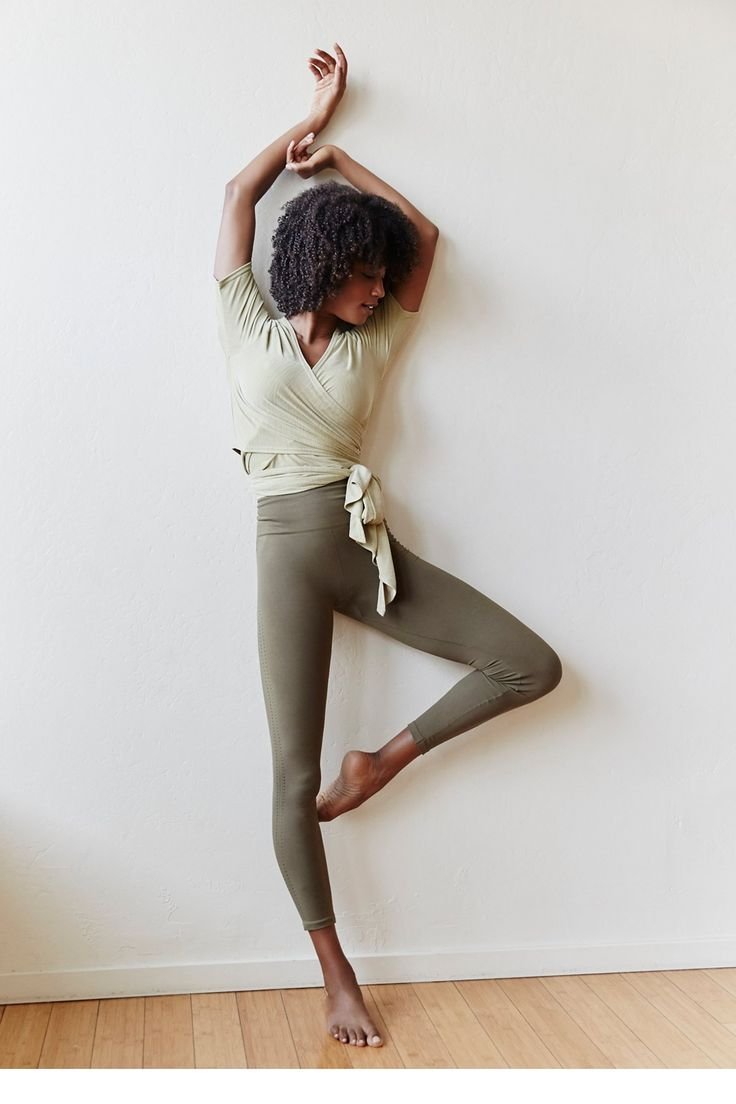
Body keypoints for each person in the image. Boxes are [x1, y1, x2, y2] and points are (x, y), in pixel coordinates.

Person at [213, 43, 562, 1049]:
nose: (377, 288)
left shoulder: (378, 339)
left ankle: (379, 762)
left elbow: (426, 237)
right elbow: (238, 193)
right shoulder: (245, 323)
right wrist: (309, 120)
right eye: (362, 273)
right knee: (290, 780)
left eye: (378, 274)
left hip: (365, 548)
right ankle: (336, 977)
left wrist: (341, 157)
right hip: (285, 553)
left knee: (529, 664)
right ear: (323, 267)